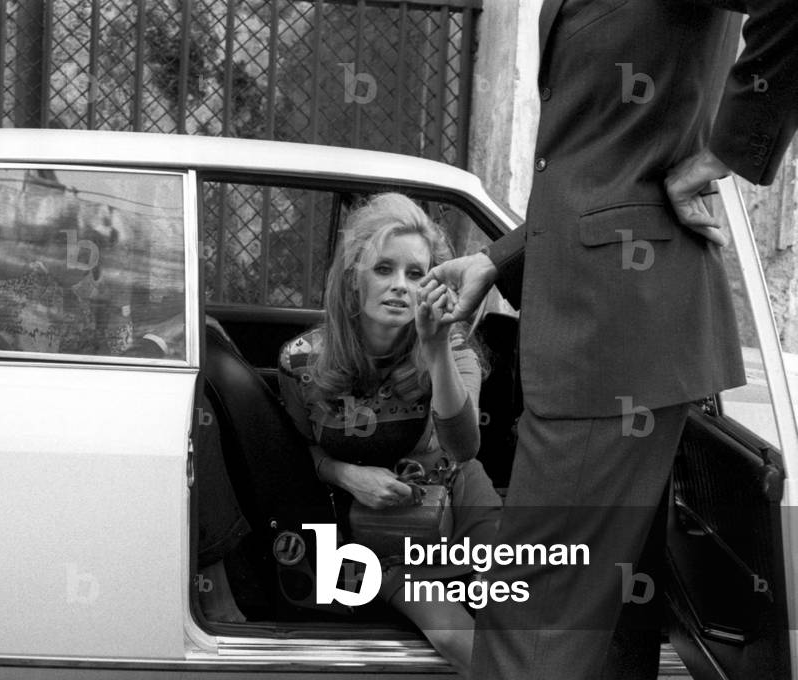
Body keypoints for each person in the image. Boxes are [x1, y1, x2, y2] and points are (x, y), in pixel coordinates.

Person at [422, 2, 798, 679]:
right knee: (610, 632)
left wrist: (722, 154)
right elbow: (594, 161)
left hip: (606, 335)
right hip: (612, 321)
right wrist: (497, 261)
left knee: (533, 621)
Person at [277, 192, 500, 673]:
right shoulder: (301, 362)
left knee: (526, 620)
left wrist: (435, 345)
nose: (400, 285)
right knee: (458, 640)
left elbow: (464, 446)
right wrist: (344, 474)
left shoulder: (454, 348)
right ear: (354, 278)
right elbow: (297, 449)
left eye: (415, 273)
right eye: (384, 269)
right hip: (377, 539)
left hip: (460, 505)